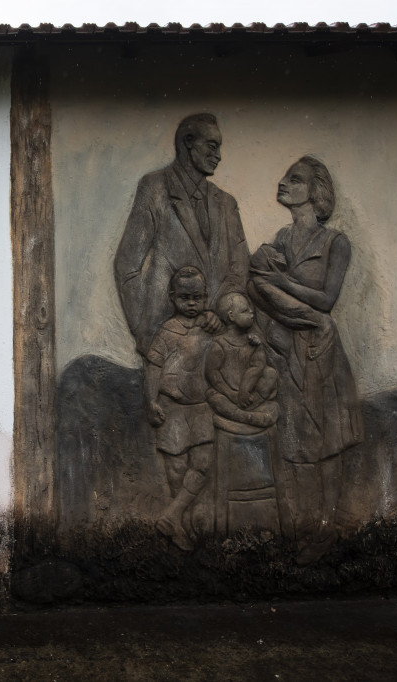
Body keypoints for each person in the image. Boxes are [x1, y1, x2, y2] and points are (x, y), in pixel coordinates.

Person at [247, 156, 363, 564]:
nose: (282, 183)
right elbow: (259, 288)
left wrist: (281, 282)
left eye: (293, 179)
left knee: (327, 444)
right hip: (284, 349)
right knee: (293, 443)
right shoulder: (280, 238)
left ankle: (327, 531)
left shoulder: (335, 243)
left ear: (314, 192)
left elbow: (328, 300)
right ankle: (298, 528)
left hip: (320, 353)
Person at [115, 113, 250, 359]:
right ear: (188, 142)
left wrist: (220, 315)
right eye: (212, 146)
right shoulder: (154, 187)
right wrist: (144, 332)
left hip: (218, 339)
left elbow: (239, 268)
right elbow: (128, 265)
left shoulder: (226, 204)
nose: (218, 156)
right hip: (166, 337)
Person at [144, 267, 215, 551]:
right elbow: (153, 366)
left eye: (197, 297)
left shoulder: (211, 325)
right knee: (175, 467)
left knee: (203, 464)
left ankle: (172, 515)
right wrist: (151, 401)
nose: (192, 303)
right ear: (173, 298)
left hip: (201, 409)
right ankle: (178, 525)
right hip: (172, 407)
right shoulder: (167, 331)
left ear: (205, 297)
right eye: (185, 297)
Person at [204, 292, 279, 430]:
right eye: (245, 311)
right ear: (231, 316)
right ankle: (245, 416)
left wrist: (245, 390)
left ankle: (251, 406)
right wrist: (231, 394)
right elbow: (213, 374)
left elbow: (259, 365)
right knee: (214, 397)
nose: (251, 313)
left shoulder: (252, 341)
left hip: (249, 394)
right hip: (227, 394)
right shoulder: (219, 344)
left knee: (271, 373)